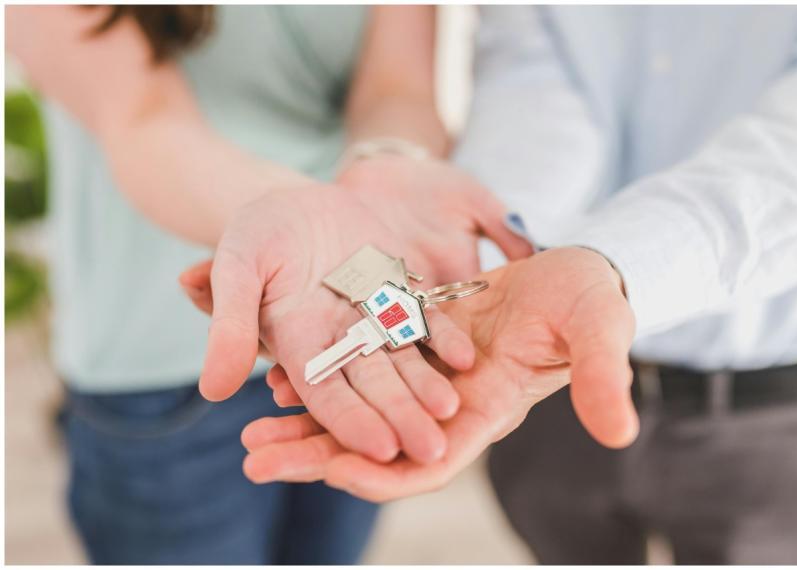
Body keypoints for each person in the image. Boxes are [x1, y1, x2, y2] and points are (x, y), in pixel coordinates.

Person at [191, 5, 797, 565]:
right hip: (527, 367)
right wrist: (482, 227)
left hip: (778, 400)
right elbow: (537, 67)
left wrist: (614, 264)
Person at [7, 5, 529, 564]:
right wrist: (290, 216)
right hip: (164, 365)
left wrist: (388, 161)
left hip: (347, 323)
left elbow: (397, 90)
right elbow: (144, 120)